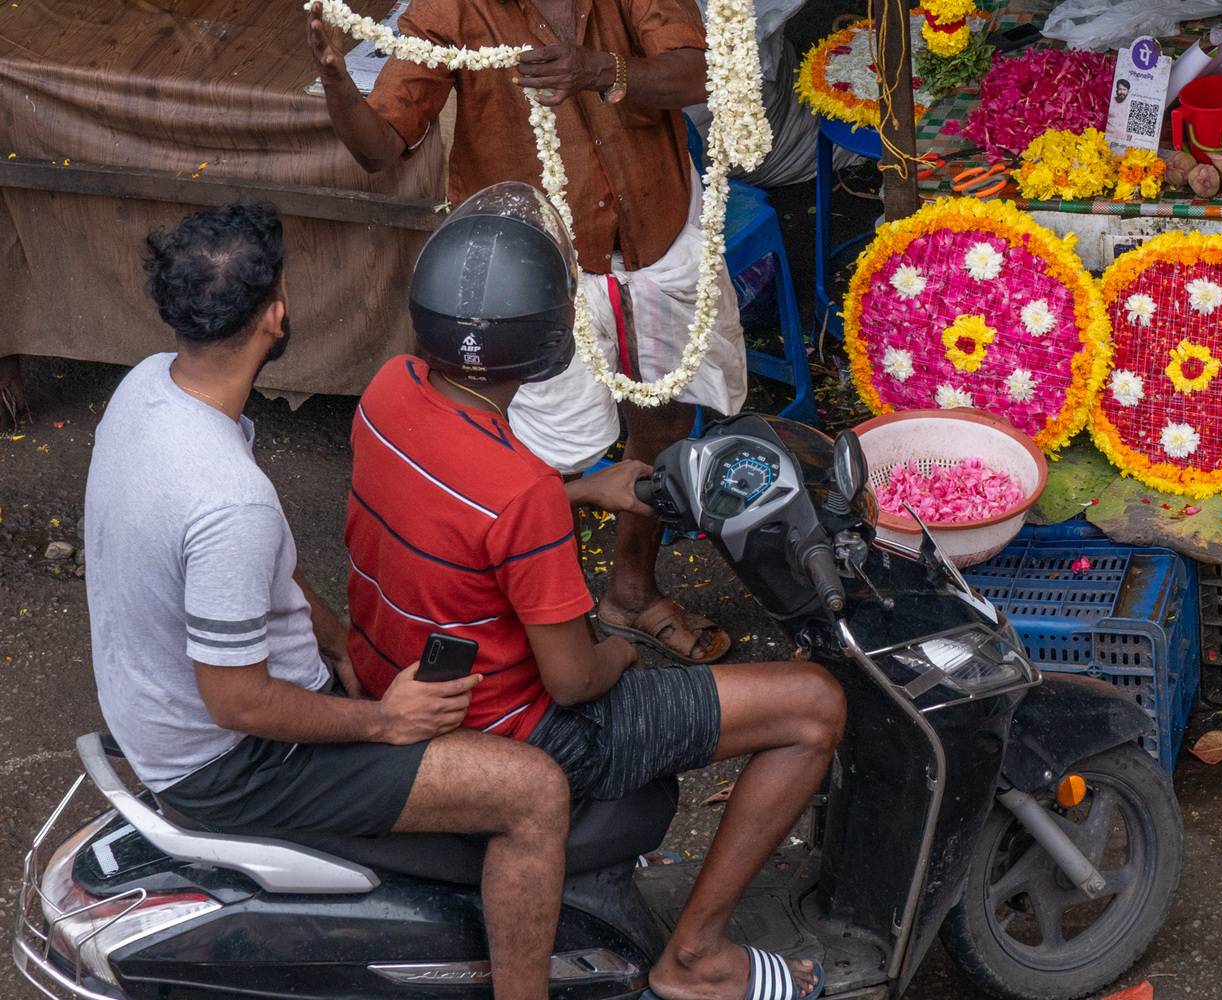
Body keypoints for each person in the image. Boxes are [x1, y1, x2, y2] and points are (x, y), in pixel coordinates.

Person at [346, 183, 843, 1000]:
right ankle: (696, 958)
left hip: (397, 674)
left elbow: (464, 509)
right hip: (521, 730)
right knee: (815, 705)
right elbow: (574, 682)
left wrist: (578, 490)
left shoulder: (388, 388)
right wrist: (620, 651)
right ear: (553, 343)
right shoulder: (520, 493)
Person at [83, 203, 569, 1000]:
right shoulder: (228, 499)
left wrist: (338, 641)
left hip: (157, 718)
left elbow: (259, 577)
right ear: (275, 315)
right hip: (230, 765)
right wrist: (385, 720)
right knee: (534, 790)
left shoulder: (149, 387)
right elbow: (238, 702)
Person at [307, 0, 743, 667]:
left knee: (665, 418)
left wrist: (600, 69)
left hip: (660, 238)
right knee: (537, 461)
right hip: (536, 275)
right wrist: (339, 84)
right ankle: (550, 631)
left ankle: (631, 592)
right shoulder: (449, 9)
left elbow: (701, 74)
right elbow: (379, 147)